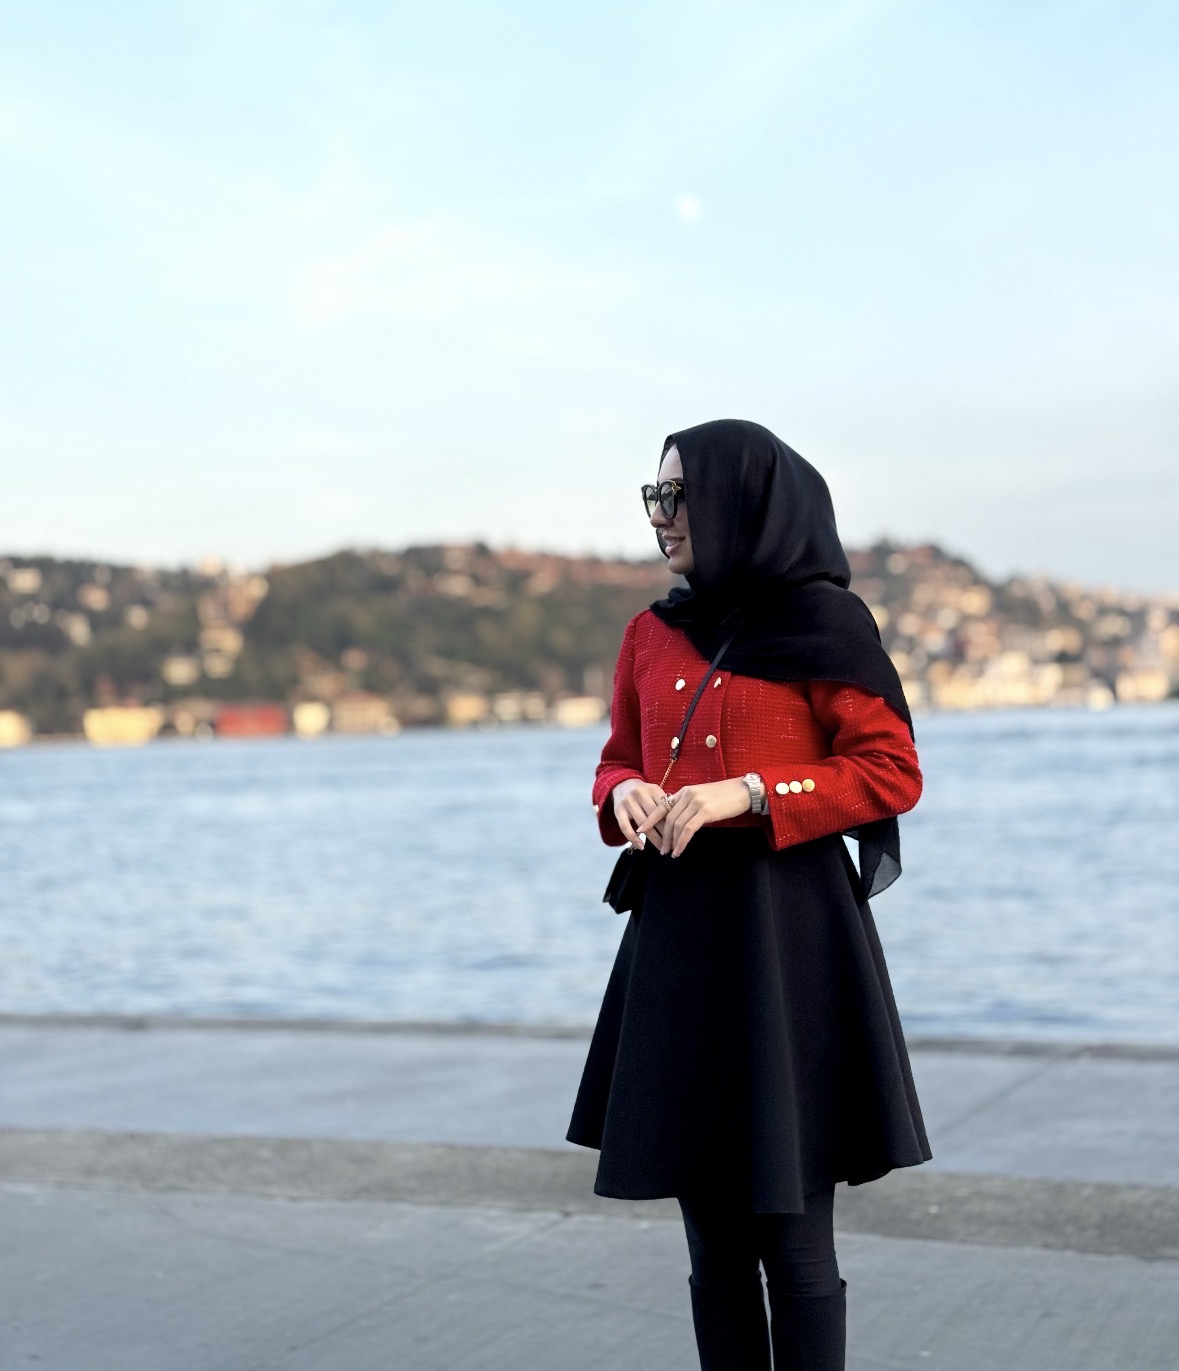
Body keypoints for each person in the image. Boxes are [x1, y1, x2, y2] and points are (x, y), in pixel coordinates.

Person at [566, 419, 931, 1370]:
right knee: (713, 1247)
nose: (661, 517)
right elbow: (614, 759)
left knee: (794, 1242)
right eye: (654, 496)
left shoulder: (826, 624)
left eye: (678, 495)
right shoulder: (649, 633)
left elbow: (891, 772)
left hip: (789, 945)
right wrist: (622, 792)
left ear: (742, 501)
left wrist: (753, 791)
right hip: (679, 943)